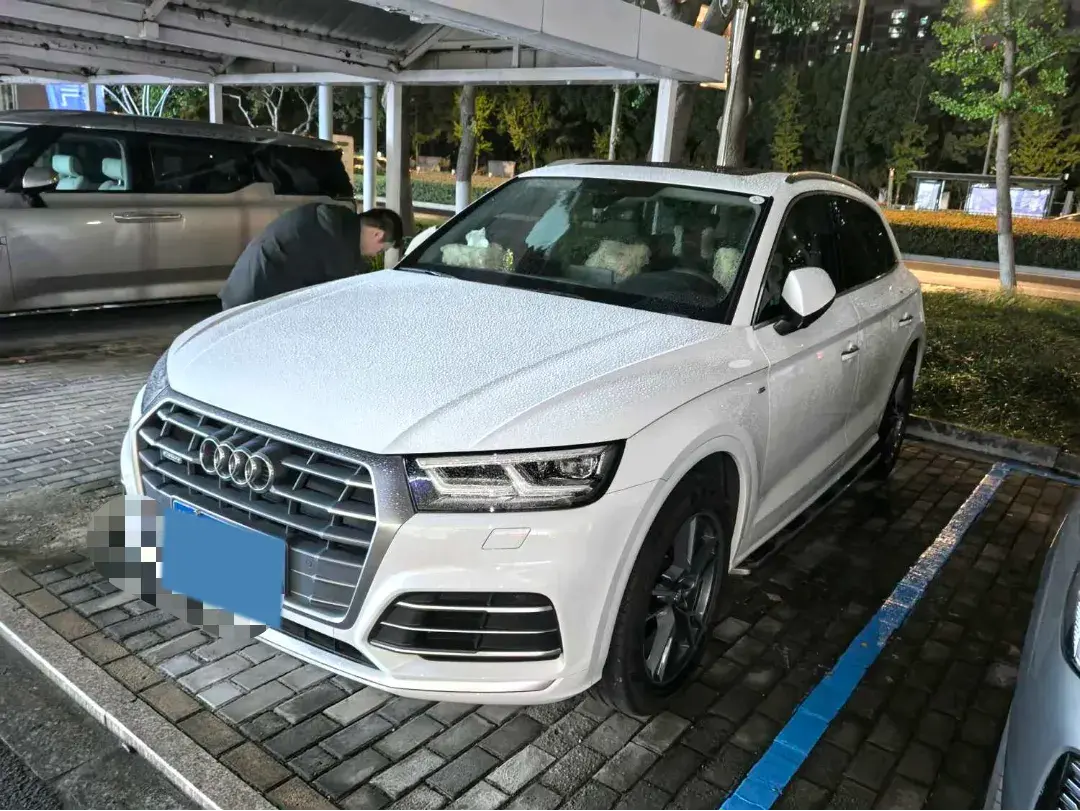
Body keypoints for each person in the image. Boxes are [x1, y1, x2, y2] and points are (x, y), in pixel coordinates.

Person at [218, 204, 404, 310]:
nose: (373, 256)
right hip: (252, 302)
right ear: (377, 235)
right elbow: (337, 300)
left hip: (246, 286)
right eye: (380, 251)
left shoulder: (338, 221)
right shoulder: (338, 244)